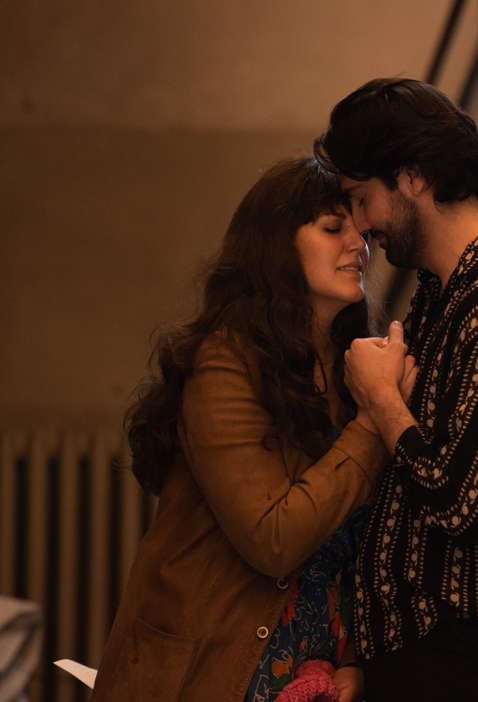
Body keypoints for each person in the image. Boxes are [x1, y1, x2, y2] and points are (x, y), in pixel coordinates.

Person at [92, 156, 414, 702]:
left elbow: (359, 543)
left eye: (360, 231)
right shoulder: (225, 362)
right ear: (276, 247)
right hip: (214, 670)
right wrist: (374, 416)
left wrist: (353, 657)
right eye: (333, 228)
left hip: (311, 668)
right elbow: (274, 539)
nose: (359, 245)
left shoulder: (347, 365)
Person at [314, 78, 478, 702]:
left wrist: (381, 399)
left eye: (361, 199)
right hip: (437, 661)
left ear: (412, 178)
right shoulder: (449, 290)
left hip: (474, 664)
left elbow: (464, 504)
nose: (361, 226)